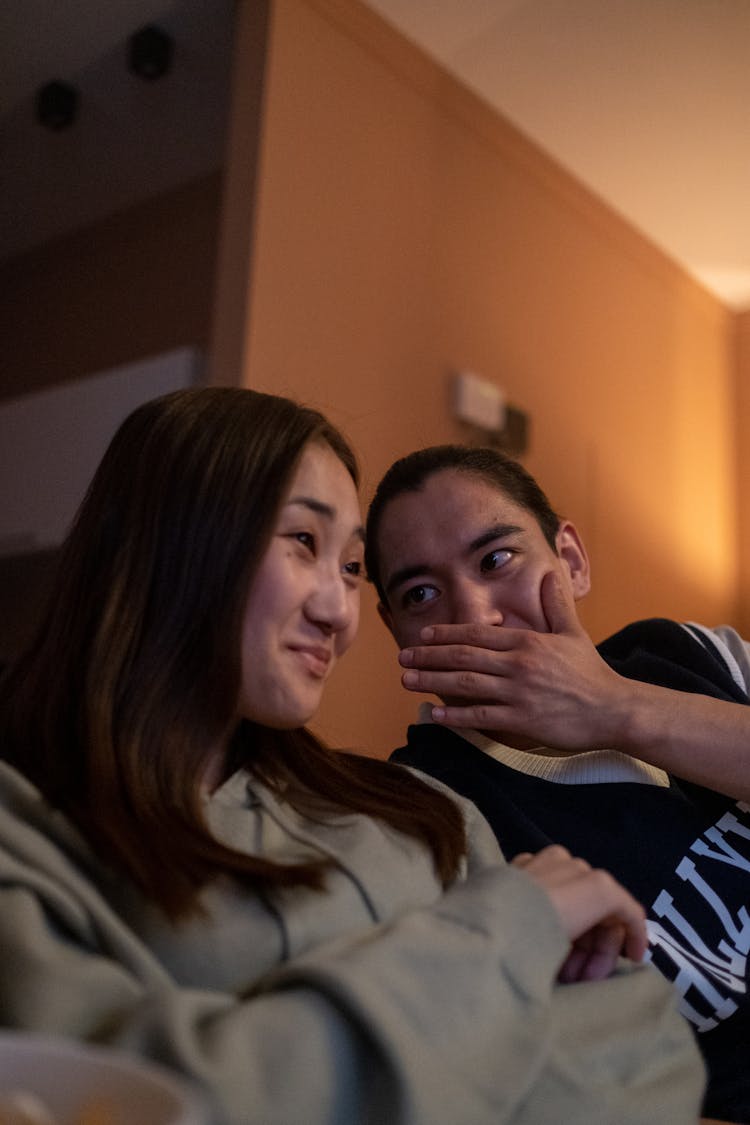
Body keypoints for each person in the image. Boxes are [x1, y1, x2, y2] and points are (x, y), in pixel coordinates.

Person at [0, 388, 706, 1125]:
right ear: (172, 537)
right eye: (305, 542)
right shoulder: (28, 837)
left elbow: (641, 1042)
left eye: (350, 567)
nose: (337, 614)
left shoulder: (418, 813)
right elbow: (137, 1101)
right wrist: (506, 930)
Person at [365, 442, 750, 1125]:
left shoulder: (684, 652)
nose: (474, 614)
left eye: (496, 559)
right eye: (421, 593)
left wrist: (617, 708)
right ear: (397, 633)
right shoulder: (421, 812)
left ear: (569, 559)